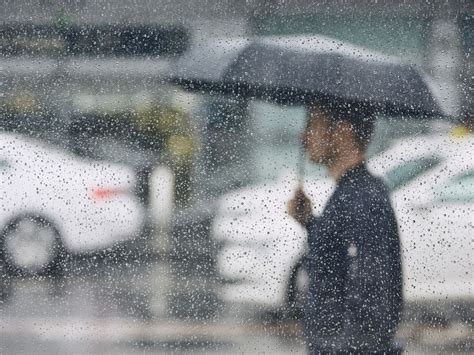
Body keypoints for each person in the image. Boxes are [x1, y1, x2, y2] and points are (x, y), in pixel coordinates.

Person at [288, 99, 403, 354]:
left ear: (344, 131)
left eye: (312, 124)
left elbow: (372, 293)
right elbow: (337, 264)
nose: (303, 135)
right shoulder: (351, 192)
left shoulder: (363, 197)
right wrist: (309, 221)